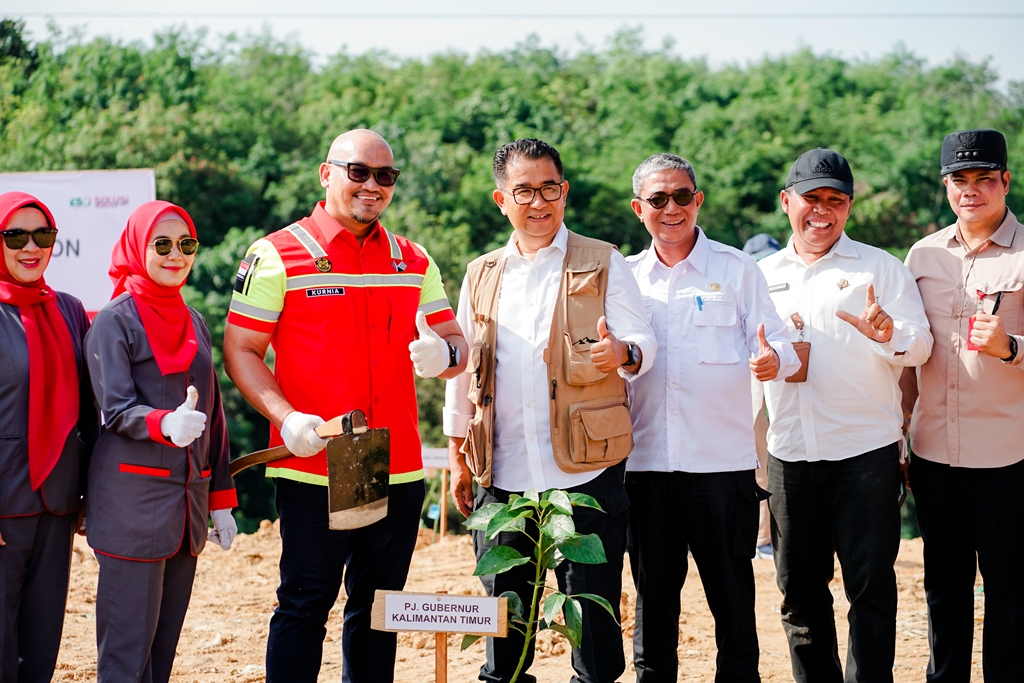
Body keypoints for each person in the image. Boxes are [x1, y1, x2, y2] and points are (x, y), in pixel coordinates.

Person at [223, 128, 467, 683]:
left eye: (386, 176)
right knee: (306, 605)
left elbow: (460, 349)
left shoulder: (413, 258)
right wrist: (288, 418)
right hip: (317, 459)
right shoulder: (275, 253)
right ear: (326, 173)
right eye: (358, 171)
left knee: (379, 609)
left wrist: (443, 352)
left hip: (396, 463)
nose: (373, 186)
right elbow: (241, 350)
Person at [444, 138, 657, 683]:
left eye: (549, 189)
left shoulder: (602, 258)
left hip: (586, 473)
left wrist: (623, 353)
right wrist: (458, 456)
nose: (538, 202)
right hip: (503, 471)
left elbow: (643, 341)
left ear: (565, 192)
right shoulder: (481, 273)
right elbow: (462, 368)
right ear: (501, 199)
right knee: (504, 618)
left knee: (591, 615)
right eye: (524, 191)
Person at [758, 148, 933, 683]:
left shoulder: (881, 268)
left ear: (849, 207)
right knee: (800, 597)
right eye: (811, 198)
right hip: (790, 455)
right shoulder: (759, 275)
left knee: (871, 591)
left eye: (836, 201)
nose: (822, 211)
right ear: (787, 201)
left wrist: (890, 335)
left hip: (865, 458)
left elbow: (921, 347)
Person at [624, 155, 798, 683]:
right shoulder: (625, 278)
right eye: (658, 199)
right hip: (645, 469)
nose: (671, 208)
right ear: (639, 209)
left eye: (682, 196)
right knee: (653, 609)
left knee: (733, 606)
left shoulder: (737, 270)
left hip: (722, 471)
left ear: (698, 201)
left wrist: (774, 361)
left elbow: (782, 345)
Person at [85, 200, 238, 683]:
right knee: (126, 658)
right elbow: (114, 408)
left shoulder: (195, 321)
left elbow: (213, 418)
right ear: (138, 247)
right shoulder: (114, 321)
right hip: (131, 509)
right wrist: (164, 424)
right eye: (163, 244)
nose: (177, 255)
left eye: (186, 244)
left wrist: (220, 500)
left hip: (185, 511)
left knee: (162, 654)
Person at [901, 129, 1024, 682]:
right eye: (959, 179)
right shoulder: (922, 255)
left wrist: (1011, 347)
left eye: (983, 179)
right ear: (946, 185)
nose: (970, 190)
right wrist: (898, 435)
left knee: (1010, 591)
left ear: (1004, 181)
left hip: (1008, 455)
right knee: (944, 590)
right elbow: (909, 360)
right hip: (932, 454)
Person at [0, 192, 98, 683]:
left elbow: (90, 410)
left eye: (43, 234)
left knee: (41, 645)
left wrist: (90, 494)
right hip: (3, 501)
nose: (30, 246)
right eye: (15, 235)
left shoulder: (69, 309)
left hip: (57, 502)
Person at [742, 232, 783, 560]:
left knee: (768, 457)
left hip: (781, 372)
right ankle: (760, 538)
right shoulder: (743, 279)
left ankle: (764, 538)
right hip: (751, 375)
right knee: (759, 456)